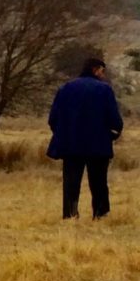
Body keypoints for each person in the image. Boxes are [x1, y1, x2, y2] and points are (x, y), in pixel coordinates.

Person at [47, 57, 123, 219]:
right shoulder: (104, 90)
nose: (103, 75)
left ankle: (70, 213)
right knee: (98, 182)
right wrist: (112, 134)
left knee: (71, 182)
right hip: (98, 144)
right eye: (102, 71)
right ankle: (100, 213)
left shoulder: (66, 88)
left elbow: (53, 118)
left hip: (71, 144)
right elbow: (114, 119)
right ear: (95, 69)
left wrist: (63, 134)